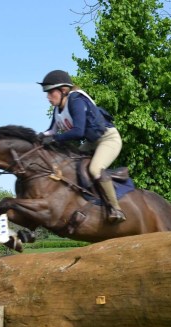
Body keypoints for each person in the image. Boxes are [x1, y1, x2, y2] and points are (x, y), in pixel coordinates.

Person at [37, 70, 126, 223]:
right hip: (92, 142)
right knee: (69, 165)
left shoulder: (76, 101)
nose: (48, 97)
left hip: (108, 139)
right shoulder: (58, 110)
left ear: (63, 90)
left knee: (95, 169)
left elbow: (78, 132)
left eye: (51, 92)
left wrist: (54, 139)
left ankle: (116, 209)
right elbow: (51, 131)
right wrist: (37, 137)